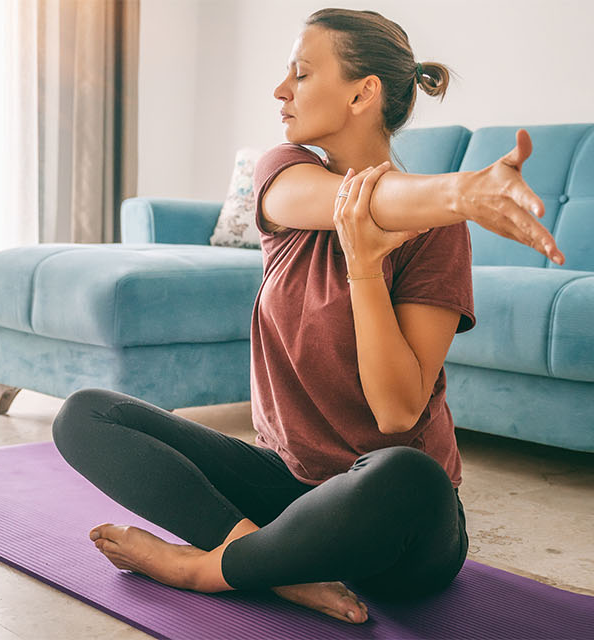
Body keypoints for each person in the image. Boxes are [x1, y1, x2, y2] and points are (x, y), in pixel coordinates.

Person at [50, 7, 561, 625]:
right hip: (285, 489)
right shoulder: (284, 172)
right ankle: (266, 560)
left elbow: (398, 411)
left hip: (389, 522)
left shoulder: (437, 236)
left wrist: (367, 270)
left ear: (362, 93)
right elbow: (356, 201)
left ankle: (206, 568)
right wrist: (459, 192)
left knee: (408, 474)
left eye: (301, 73)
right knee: (86, 414)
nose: (280, 91)